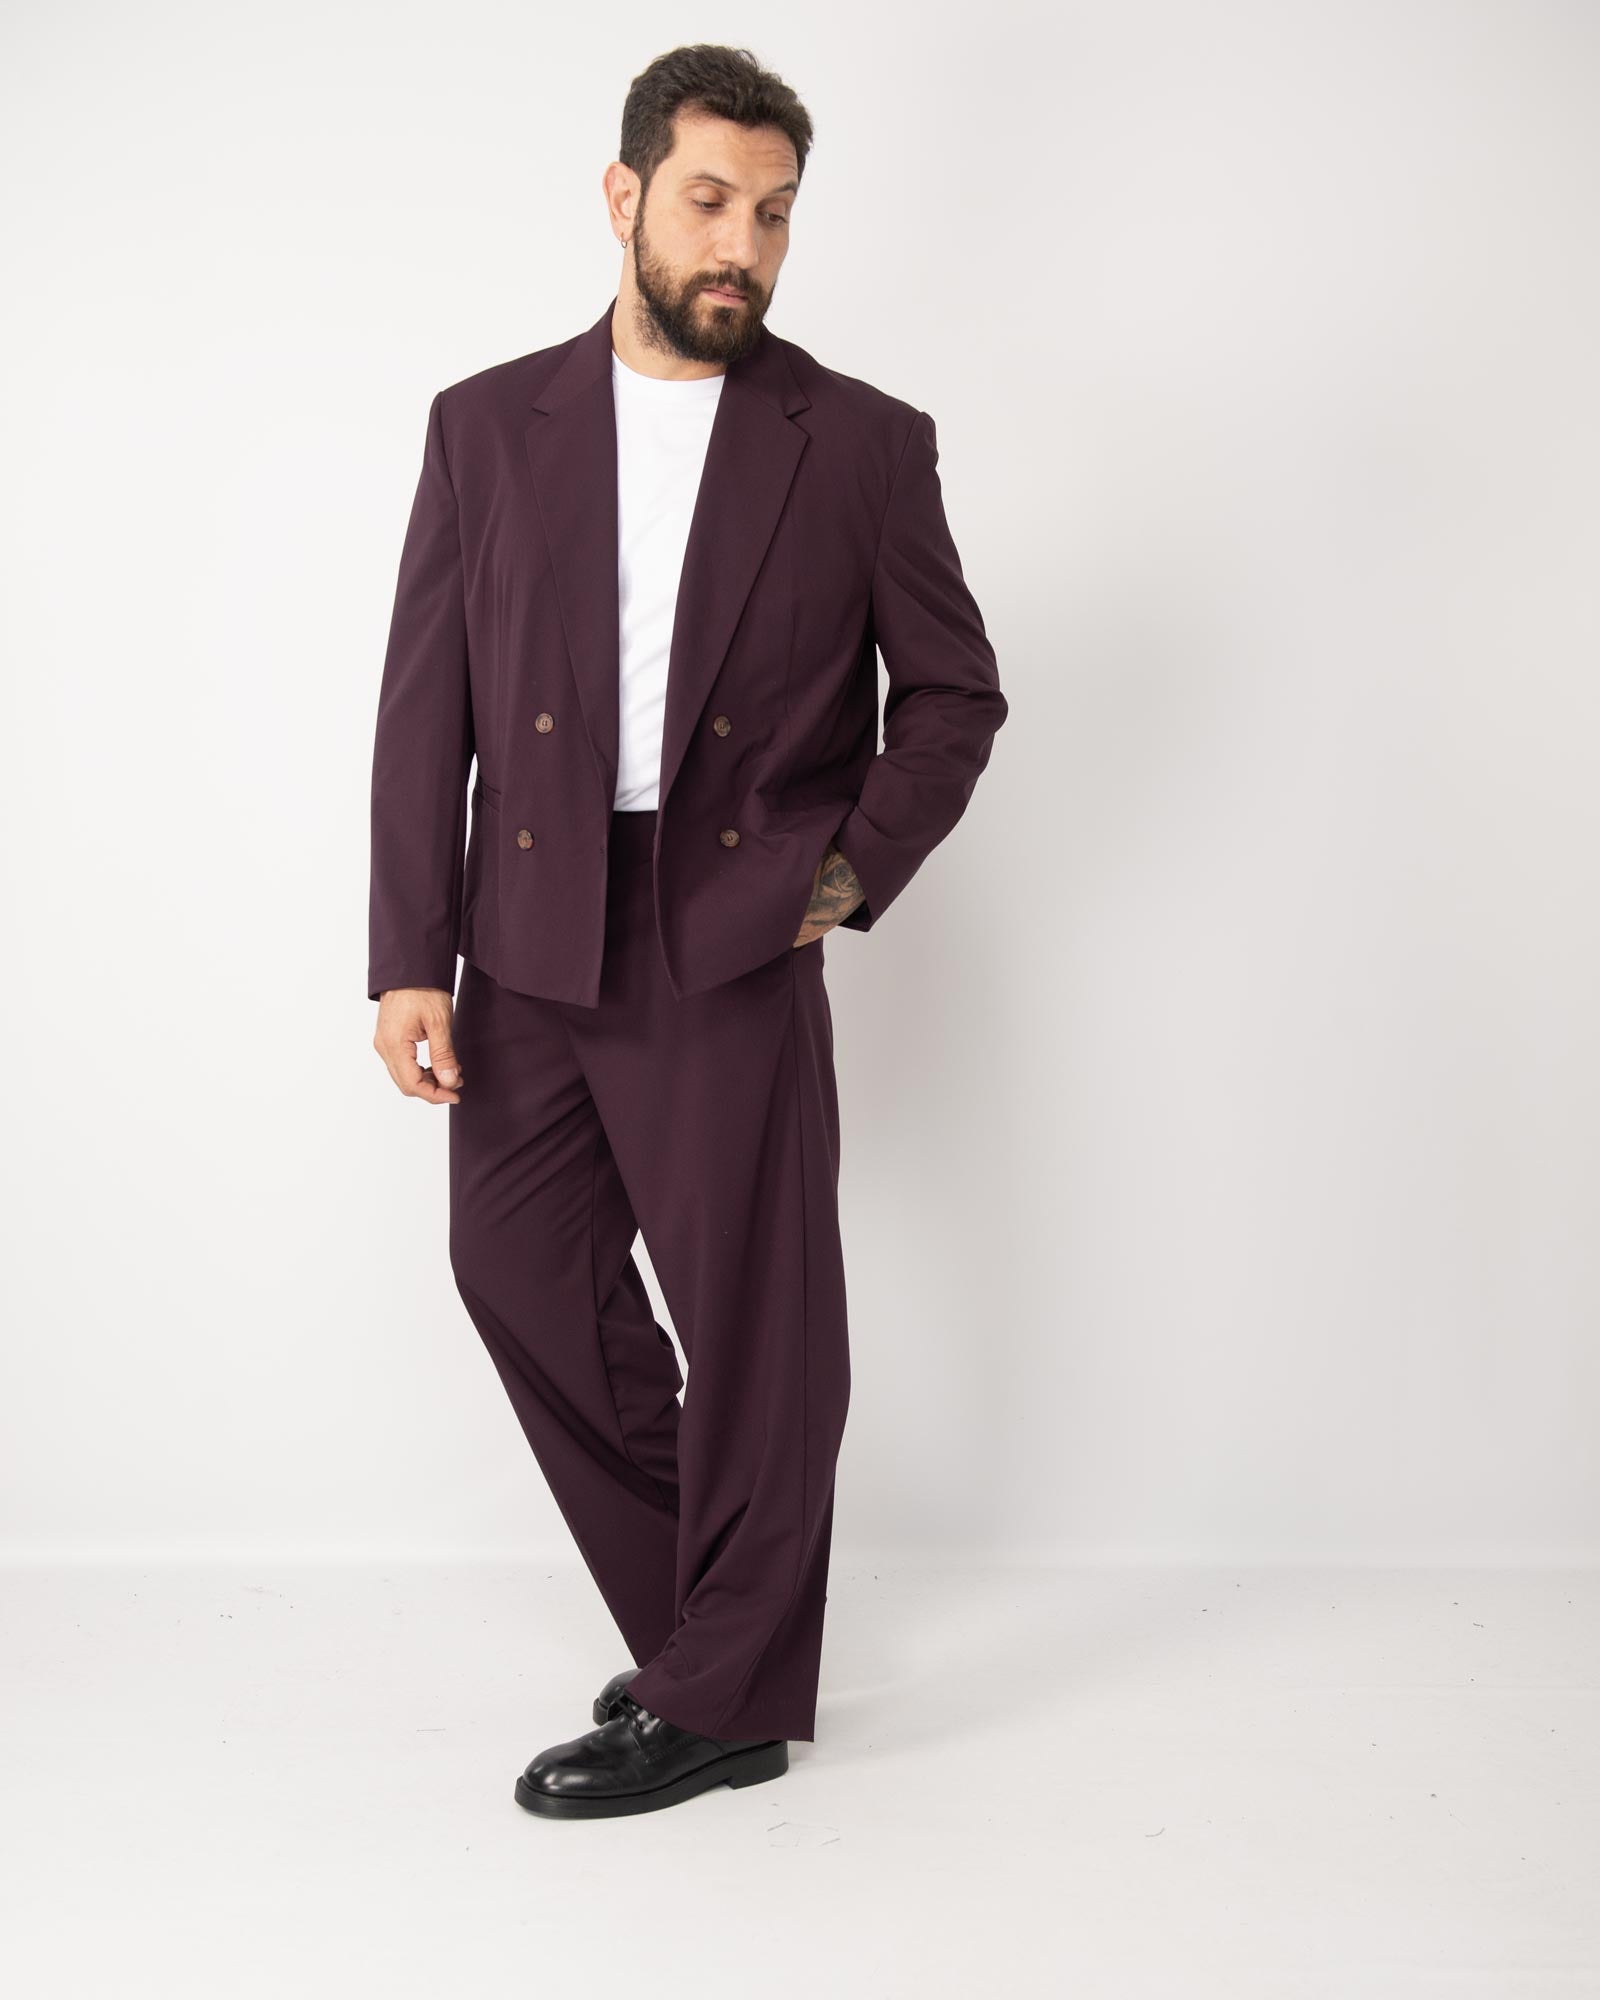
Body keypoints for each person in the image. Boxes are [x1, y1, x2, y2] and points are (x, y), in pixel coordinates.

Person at [367, 43, 1008, 1820]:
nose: (744, 245)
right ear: (625, 194)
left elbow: (953, 696)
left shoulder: (859, 442)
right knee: (516, 1269)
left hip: (731, 924)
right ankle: (719, 1648)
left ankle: (721, 1687)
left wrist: (837, 878)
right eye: (712, 200)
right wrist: (409, 950)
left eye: (777, 213)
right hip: (528, 924)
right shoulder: (486, 424)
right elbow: (427, 704)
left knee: (756, 1322)